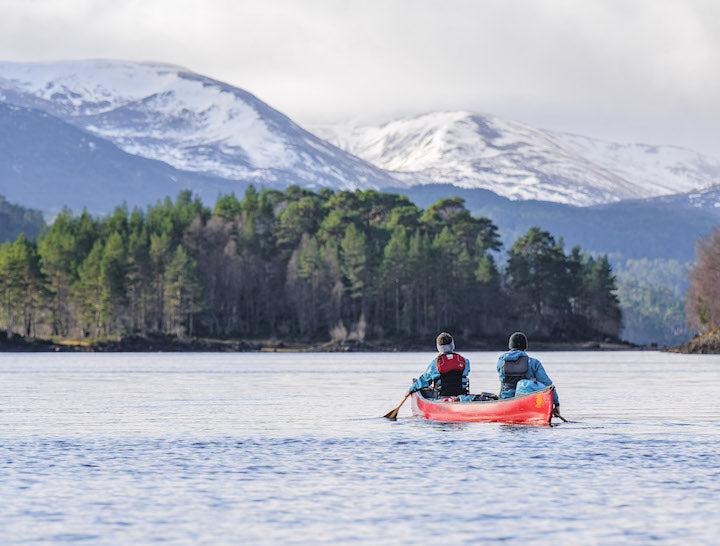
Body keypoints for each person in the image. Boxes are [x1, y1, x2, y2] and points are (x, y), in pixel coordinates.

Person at [497, 331, 560, 414]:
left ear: (510, 345)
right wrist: (556, 404)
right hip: (527, 403)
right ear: (525, 346)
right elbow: (548, 385)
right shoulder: (534, 363)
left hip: (505, 401)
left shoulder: (501, 362)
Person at [408, 332, 470, 397]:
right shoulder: (465, 361)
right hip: (462, 396)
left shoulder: (435, 363)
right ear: (452, 345)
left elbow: (424, 381)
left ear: (438, 347)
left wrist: (410, 390)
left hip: (442, 397)